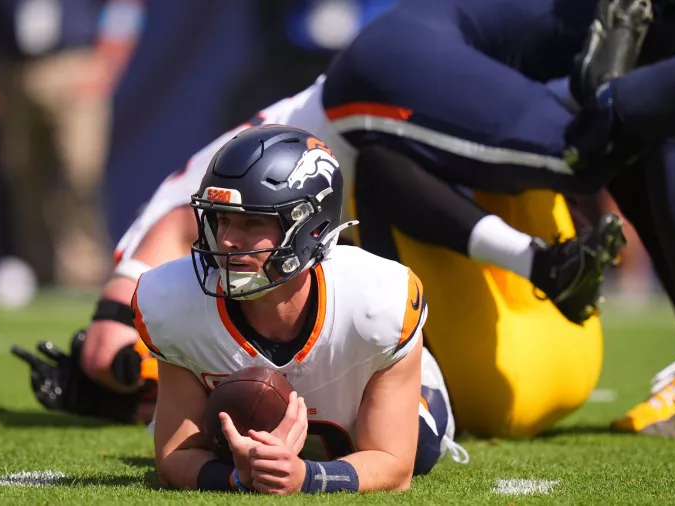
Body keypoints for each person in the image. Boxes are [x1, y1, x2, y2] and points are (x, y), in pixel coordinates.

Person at [13, 0, 675, 437]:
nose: (233, 247)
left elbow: (120, 326)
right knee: (655, 129)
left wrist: (114, 368)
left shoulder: (185, 236)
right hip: (424, 85)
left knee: (582, 153)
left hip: (369, 85)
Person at [134, 125, 466, 493]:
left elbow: (392, 464)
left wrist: (306, 477)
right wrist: (235, 477)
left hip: (368, 399)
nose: (226, 239)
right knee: (221, 441)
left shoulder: (376, 302)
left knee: (419, 449)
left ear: (310, 228)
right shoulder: (177, 303)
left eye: (252, 221)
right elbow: (175, 458)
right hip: (249, 427)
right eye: (221, 218)